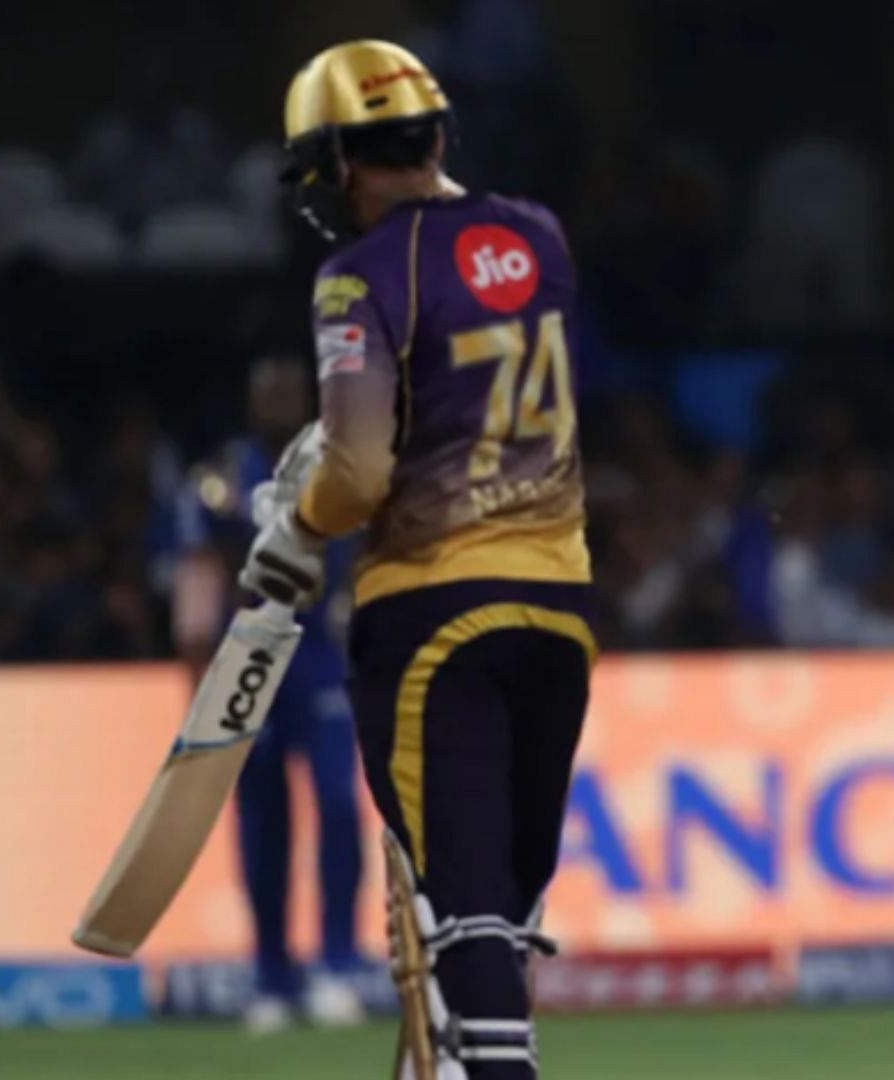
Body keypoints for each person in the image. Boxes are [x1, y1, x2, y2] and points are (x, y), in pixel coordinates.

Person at [241, 40, 596, 1078]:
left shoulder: (357, 273)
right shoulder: (539, 233)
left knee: (464, 903)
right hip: (561, 607)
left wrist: (294, 519)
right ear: (438, 136)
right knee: (509, 899)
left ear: (341, 165)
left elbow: (355, 471)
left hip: (433, 616)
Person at [172, 357, 365, 1033]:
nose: (280, 401)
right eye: (269, 391)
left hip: (318, 655)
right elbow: (199, 577)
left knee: (340, 805)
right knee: (263, 820)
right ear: (251, 401)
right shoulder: (221, 481)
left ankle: (338, 966)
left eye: (291, 391)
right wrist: (200, 678)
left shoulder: (337, 468)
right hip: (249, 655)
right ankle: (270, 977)